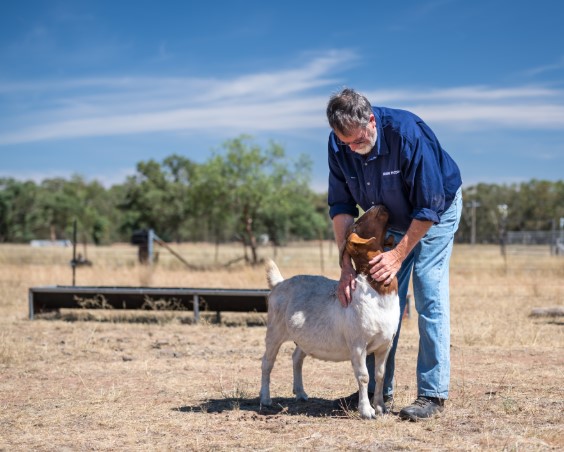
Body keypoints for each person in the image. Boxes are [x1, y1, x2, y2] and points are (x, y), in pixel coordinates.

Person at [326, 88, 462, 421]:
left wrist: (398, 256)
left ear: (371, 121)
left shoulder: (407, 134)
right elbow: (342, 207)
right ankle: (376, 391)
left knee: (429, 292)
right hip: (392, 219)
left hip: (433, 214)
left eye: (357, 141)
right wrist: (346, 266)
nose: (353, 150)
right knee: (380, 297)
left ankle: (432, 394)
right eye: (345, 144)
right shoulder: (340, 144)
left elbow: (429, 207)